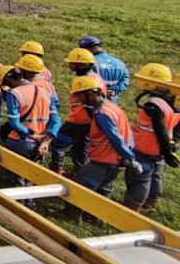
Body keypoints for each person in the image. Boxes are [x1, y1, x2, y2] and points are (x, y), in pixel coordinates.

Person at [0, 58, 61, 210]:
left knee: (17, 178)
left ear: (8, 79)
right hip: (40, 145)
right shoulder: (45, 91)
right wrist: (46, 140)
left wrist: (33, 135)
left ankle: (19, 211)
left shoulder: (14, 93)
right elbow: (56, 120)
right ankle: (31, 206)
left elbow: (14, 123)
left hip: (19, 142)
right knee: (32, 176)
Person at [72, 75, 141, 201]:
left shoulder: (102, 114)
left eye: (80, 95)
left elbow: (115, 137)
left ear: (90, 93)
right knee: (103, 191)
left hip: (103, 160)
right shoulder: (113, 108)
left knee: (81, 188)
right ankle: (94, 218)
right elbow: (127, 134)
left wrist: (129, 157)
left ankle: (73, 215)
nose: (79, 99)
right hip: (116, 161)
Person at [127, 64, 179, 212]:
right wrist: (171, 144)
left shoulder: (154, 104)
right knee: (155, 176)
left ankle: (132, 207)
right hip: (159, 150)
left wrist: (167, 149)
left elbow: (160, 129)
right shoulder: (174, 101)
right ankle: (151, 202)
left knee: (139, 178)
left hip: (145, 147)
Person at [52, 48, 106, 175]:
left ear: (83, 64)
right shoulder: (96, 77)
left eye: (73, 63)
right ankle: (79, 170)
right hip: (90, 119)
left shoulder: (84, 81)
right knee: (81, 144)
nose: (70, 65)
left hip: (79, 119)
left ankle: (56, 168)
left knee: (58, 142)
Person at [80, 36, 130, 102]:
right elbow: (125, 83)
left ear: (88, 49)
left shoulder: (89, 63)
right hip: (111, 105)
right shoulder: (120, 64)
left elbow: (85, 84)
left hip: (94, 103)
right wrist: (113, 90)